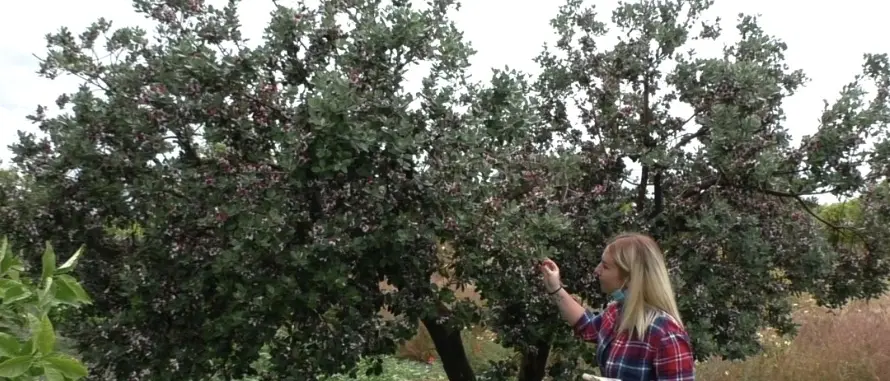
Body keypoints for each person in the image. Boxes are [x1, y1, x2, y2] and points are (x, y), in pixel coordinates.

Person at [539, 232, 695, 381]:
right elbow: (587, 326)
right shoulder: (616, 313)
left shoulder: (665, 334)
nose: (597, 270)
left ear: (631, 277)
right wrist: (555, 288)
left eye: (605, 266)